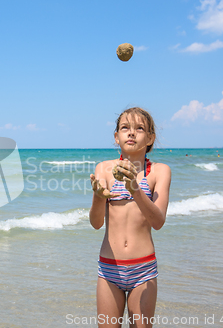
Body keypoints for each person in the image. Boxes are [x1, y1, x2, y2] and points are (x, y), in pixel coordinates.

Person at [89, 107, 171, 328]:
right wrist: (98, 198)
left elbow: (158, 221)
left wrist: (135, 188)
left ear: (151, 138)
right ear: (117, 137)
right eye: (125, 128)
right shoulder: (104, 169)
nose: (131, 133)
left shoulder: (159, 172)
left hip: (143, 269)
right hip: (109, 268)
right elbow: (96, 224)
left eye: (140, 128)